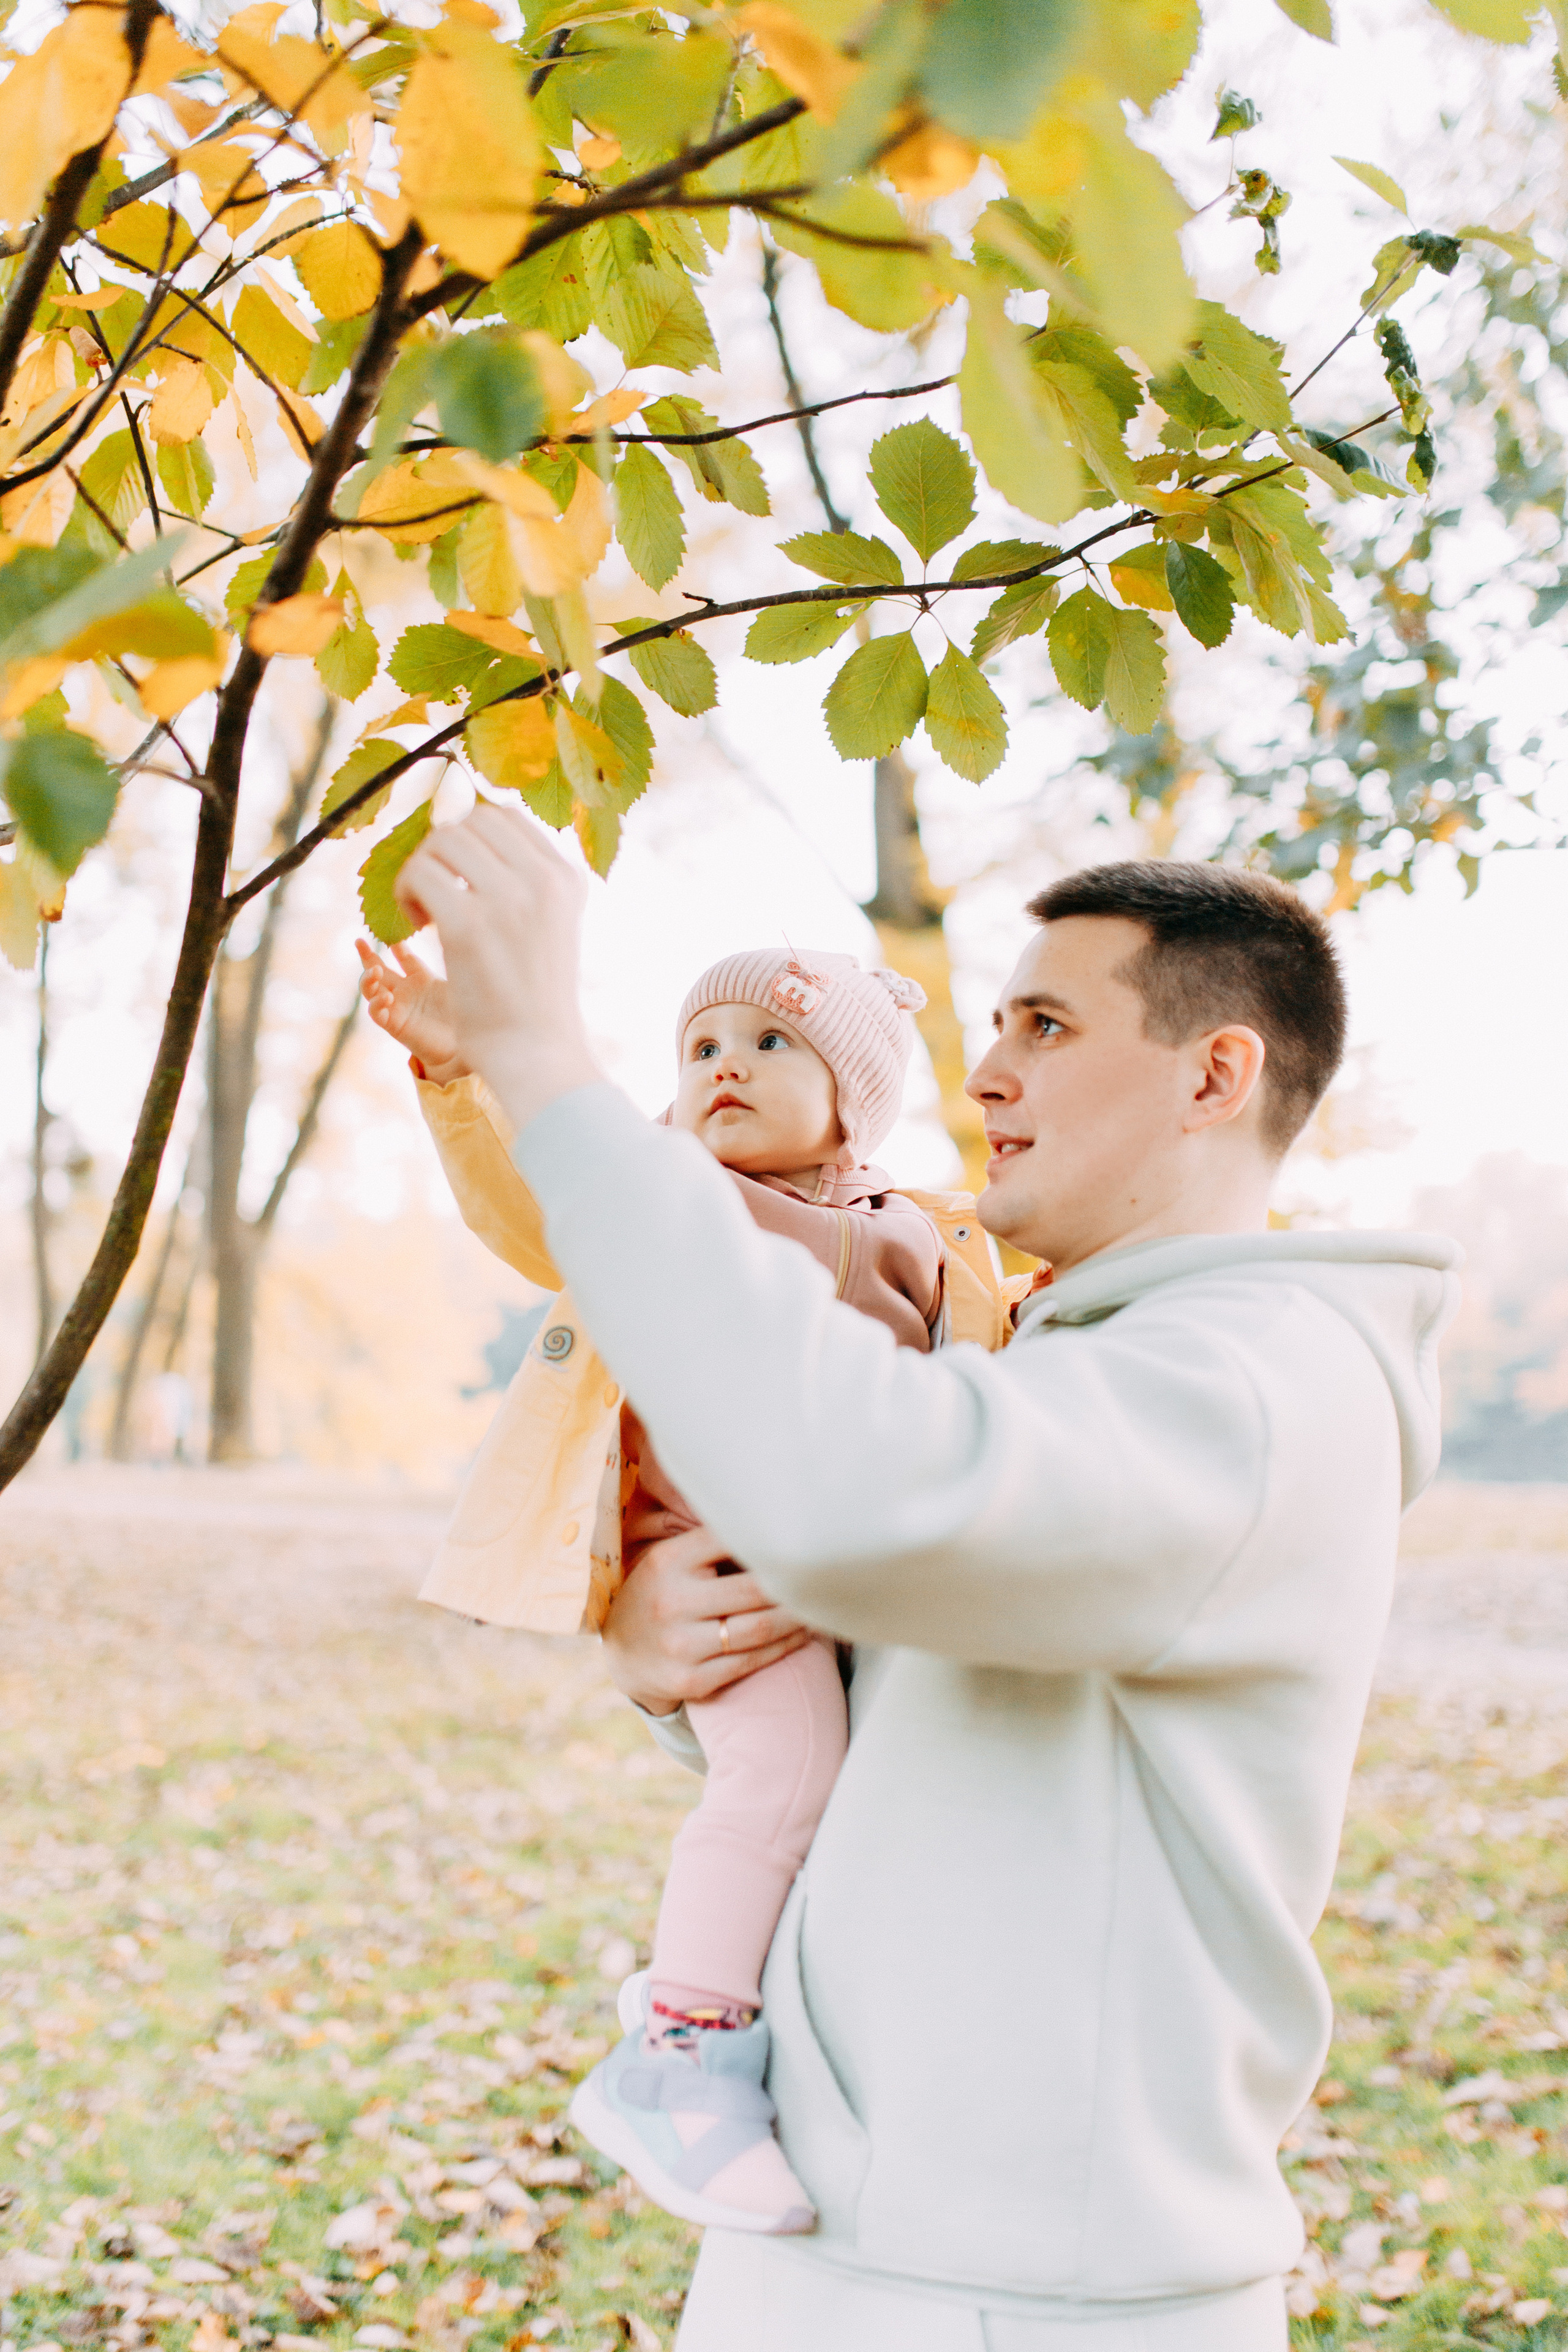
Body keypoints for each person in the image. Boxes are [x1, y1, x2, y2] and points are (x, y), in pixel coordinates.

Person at [391, 813, 1460, 2352]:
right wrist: (667, 1647)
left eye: (1046, 1025)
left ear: (1212, 1077)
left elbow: (867, 1497)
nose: (986, 1072)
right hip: (849, 2222)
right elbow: (899, 1680)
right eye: (996, 1022)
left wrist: (546, 1067)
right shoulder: (1042, 1353)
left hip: (1024, 2288)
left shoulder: (1253, 1383)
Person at [358, 934, 1023, 2236]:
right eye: (702, 1046)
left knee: (850, 1794)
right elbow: (539, 1204)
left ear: (855, 1097)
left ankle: (750, 2003)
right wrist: (458, 1070)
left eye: (772, 1045)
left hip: (854, 1570)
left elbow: (990, 1364)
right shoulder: (672, 1194)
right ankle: (681, 2055)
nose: (725, 1069)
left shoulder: (920, 1233)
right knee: (779, 1772)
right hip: (727, 1567)